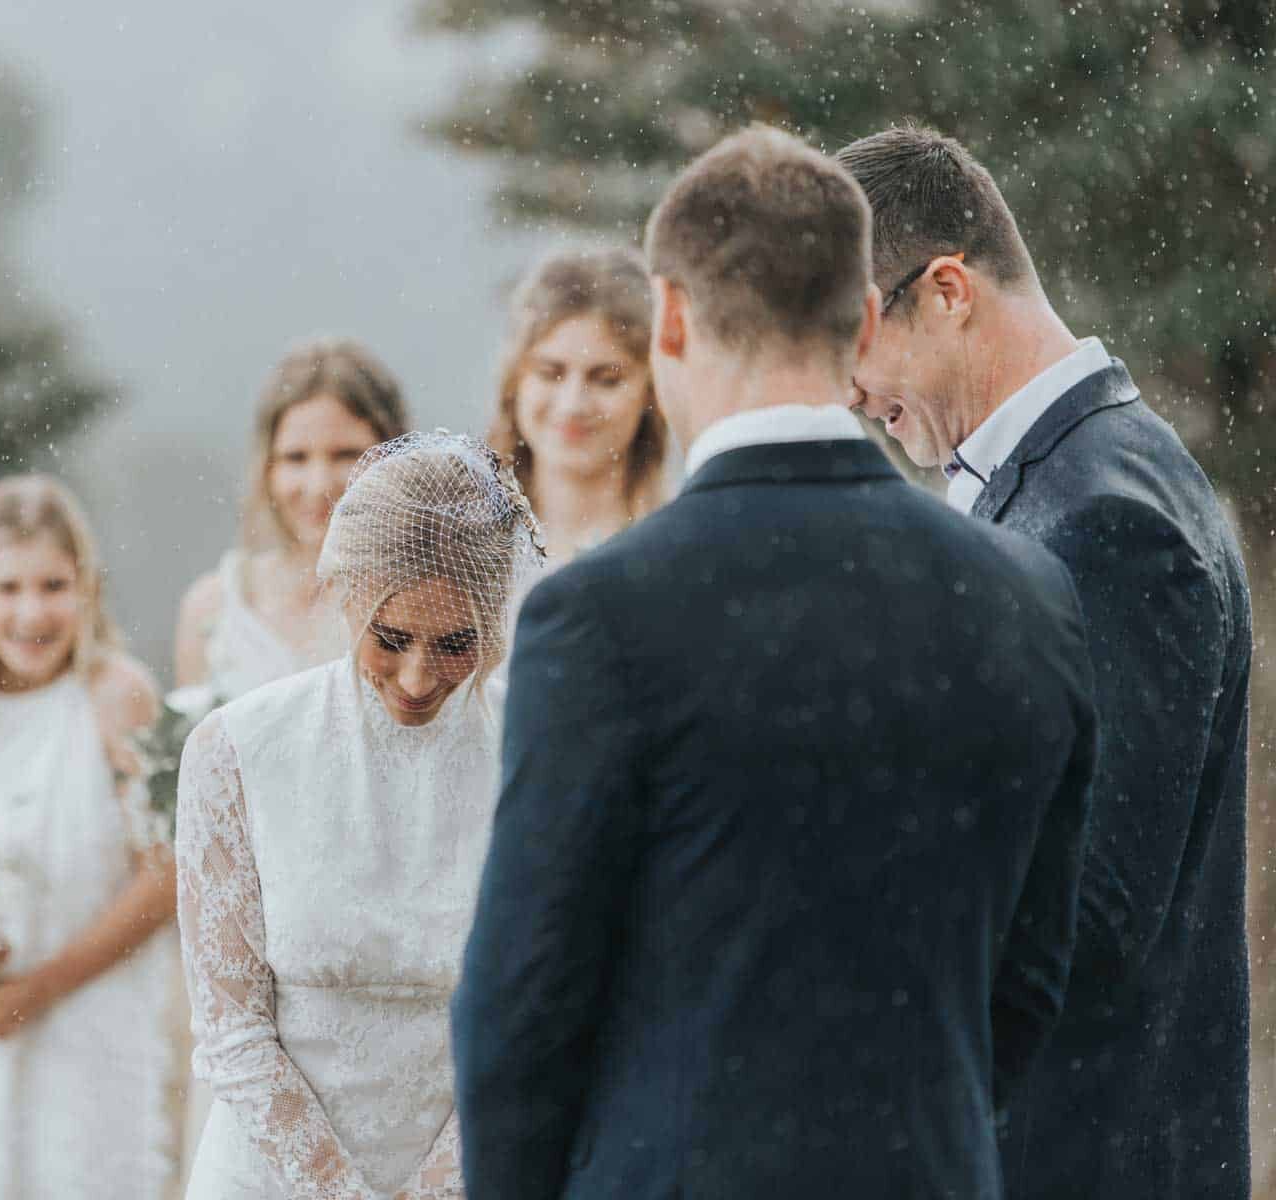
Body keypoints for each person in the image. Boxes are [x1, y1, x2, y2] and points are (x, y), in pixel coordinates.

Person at [453, 126, 1098, 1199]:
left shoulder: (604, 616)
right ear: (859, 321)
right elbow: (1031, 981)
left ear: (668, 317)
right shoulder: (1024, 596)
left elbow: (520, 1008)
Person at [841, 123, 1253, 1199]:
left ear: (945, 290)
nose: (850, 392)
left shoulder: (1107, 516)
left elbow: (1093, 921)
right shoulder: (1059, 482)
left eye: (855, 339)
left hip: (1082, 1154)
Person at [177, 431, 542, 1199]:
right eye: (392, 637)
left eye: (456, 643)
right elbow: (234, 1029)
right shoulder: (234, 753)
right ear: (347, 590)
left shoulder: (538, 754)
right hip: (272, 1175)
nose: (418, 676)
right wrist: (342, 1193)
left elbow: (536, 1017)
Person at [0, 475, 176, 1199]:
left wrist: (44, 986)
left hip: (87, 1019)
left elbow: (165, 873)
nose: (31, 613)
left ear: (86, 588)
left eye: (53, 586)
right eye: (8, 589)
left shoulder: (119, 695)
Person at [174, 338, 411, 698]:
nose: (318, 486)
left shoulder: (425, 601)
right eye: (296, 458)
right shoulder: (212, 609)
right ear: (267, 467)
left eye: (346, 455)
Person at [487, 247, 668, 563]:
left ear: (650, 390)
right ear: (515, 379)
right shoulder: (462, 542)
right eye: (549, 373)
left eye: (607, 379)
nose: (573, 405)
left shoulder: (678, 548)